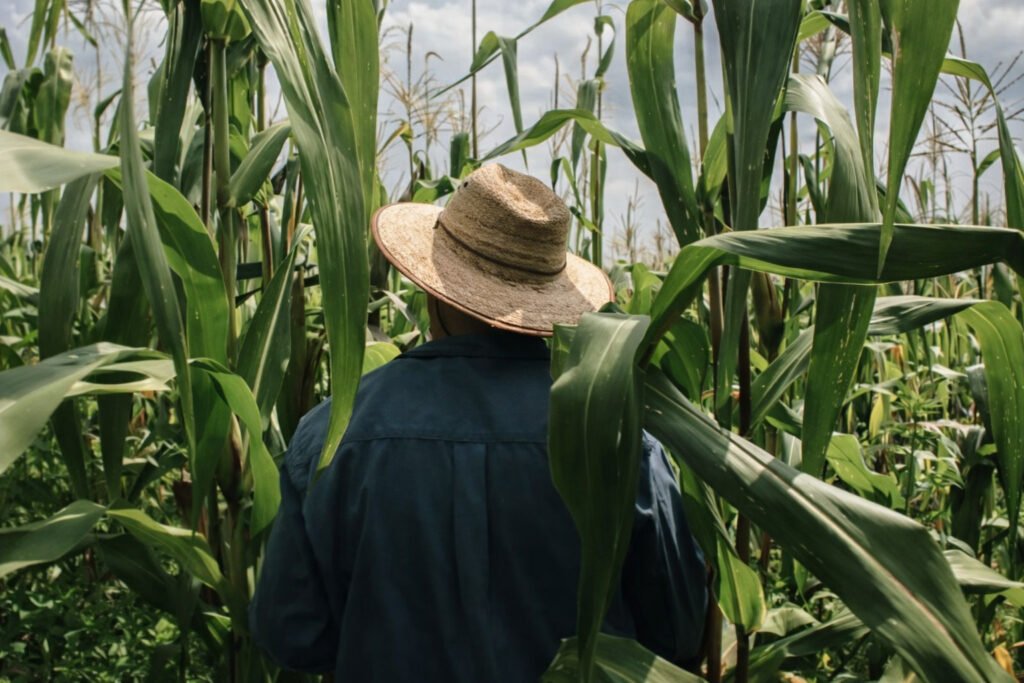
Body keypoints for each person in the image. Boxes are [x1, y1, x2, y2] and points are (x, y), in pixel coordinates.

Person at [249, 164, 708, 680]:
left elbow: (291, 635)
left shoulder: (331, 435)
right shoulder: (617, 440)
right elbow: (679, 631)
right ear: (548, 299)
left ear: (432, 286)